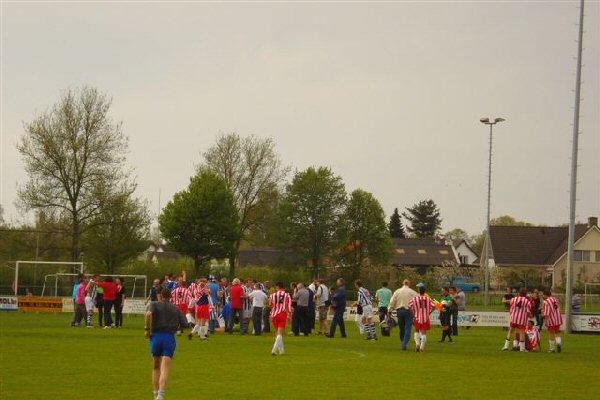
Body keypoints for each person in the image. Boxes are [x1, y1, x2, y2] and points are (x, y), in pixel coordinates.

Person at [145, 287, 188, 400]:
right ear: (171, 297)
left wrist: (147, 329)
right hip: (169, 337)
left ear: (160, 296)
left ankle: (155, 394)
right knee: (165, 368)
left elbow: (148, 315)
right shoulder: (176, 308)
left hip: (156, 337)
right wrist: (176, 326)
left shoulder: (153, 304)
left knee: (155, 368)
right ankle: (161, 394)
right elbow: (185, 324)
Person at [388, 279, 418, 350]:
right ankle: (404, 343)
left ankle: (403, 342)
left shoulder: (397, 291)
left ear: (403, 283)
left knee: (401, 328)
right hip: (409, 311)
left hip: (400, 311)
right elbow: (416, 302)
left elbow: (392, 301)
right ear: (409, 284)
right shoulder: (413, 292)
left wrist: (390, 309)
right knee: (408, 328)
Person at [409, 285, 436, 352]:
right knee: (423, 332)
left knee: (416, 330)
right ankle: (421, 347)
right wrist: (429, 312)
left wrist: (413, 312)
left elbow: (409, 305)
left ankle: (417, 344)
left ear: (418, 291)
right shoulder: (428, 299)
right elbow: (434, 306)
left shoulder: (415, 298)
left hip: (417, 317)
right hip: (425, 317)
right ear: (425, 291)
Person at [269, 282, 292, 355]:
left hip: (274, 315)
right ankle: (274, 350)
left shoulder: (272, 295)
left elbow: (270, 305)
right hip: (282, 314)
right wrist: (289, 316)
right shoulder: (287, 295)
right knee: (280, 333)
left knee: (277, 333)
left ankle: (281, 351)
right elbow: (288, 306)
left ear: (277, 287)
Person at [542, 289, 563, 353]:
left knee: (551, 333)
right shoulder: (555, 299)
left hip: (551, 319)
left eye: (543, 295)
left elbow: (547, 313)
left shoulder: (546, 301)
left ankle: (552, 348)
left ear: (545, 295)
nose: (543, 296)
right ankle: (559, 343)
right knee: (557, 332)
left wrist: (545, 321)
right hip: (558, 318)